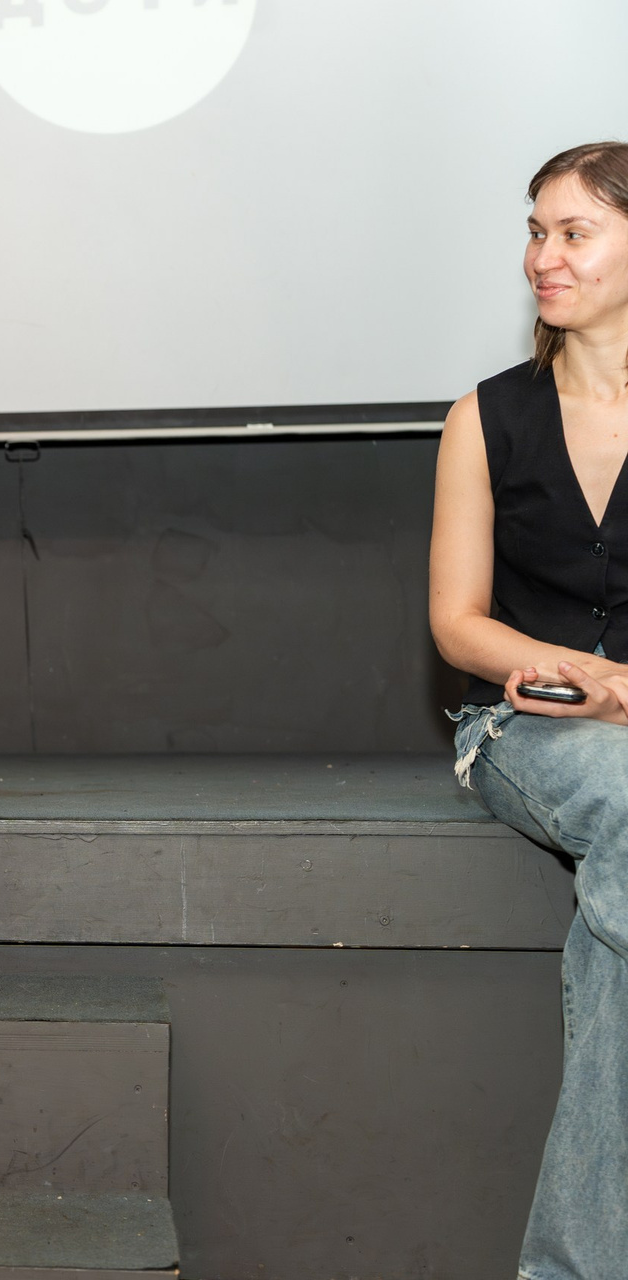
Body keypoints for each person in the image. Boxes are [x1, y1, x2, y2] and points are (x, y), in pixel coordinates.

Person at [431, 142, 628, 1278]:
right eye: (536, 231)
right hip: (522, 728)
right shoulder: (486, 416)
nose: (542, 256)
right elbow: (459, 624)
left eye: (574, 233)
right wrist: (577, 676)